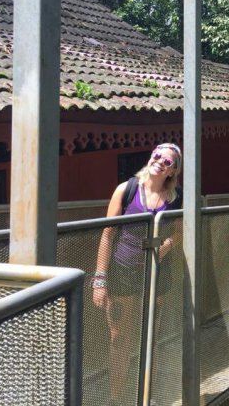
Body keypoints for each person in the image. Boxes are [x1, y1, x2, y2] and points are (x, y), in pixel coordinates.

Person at [92, 142, 183, 406]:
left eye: (167, 161)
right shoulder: (126, 189)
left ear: (172, 171)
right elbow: (107, 234)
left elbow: (180, 231)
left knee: (151, 336)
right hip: (123, 270)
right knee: (119, 337)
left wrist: (167, 245)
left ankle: (146, 397)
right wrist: (100, 279)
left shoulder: (176, 198)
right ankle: (116, 398)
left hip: (157, 271)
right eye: (157, 155)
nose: (159, 161)